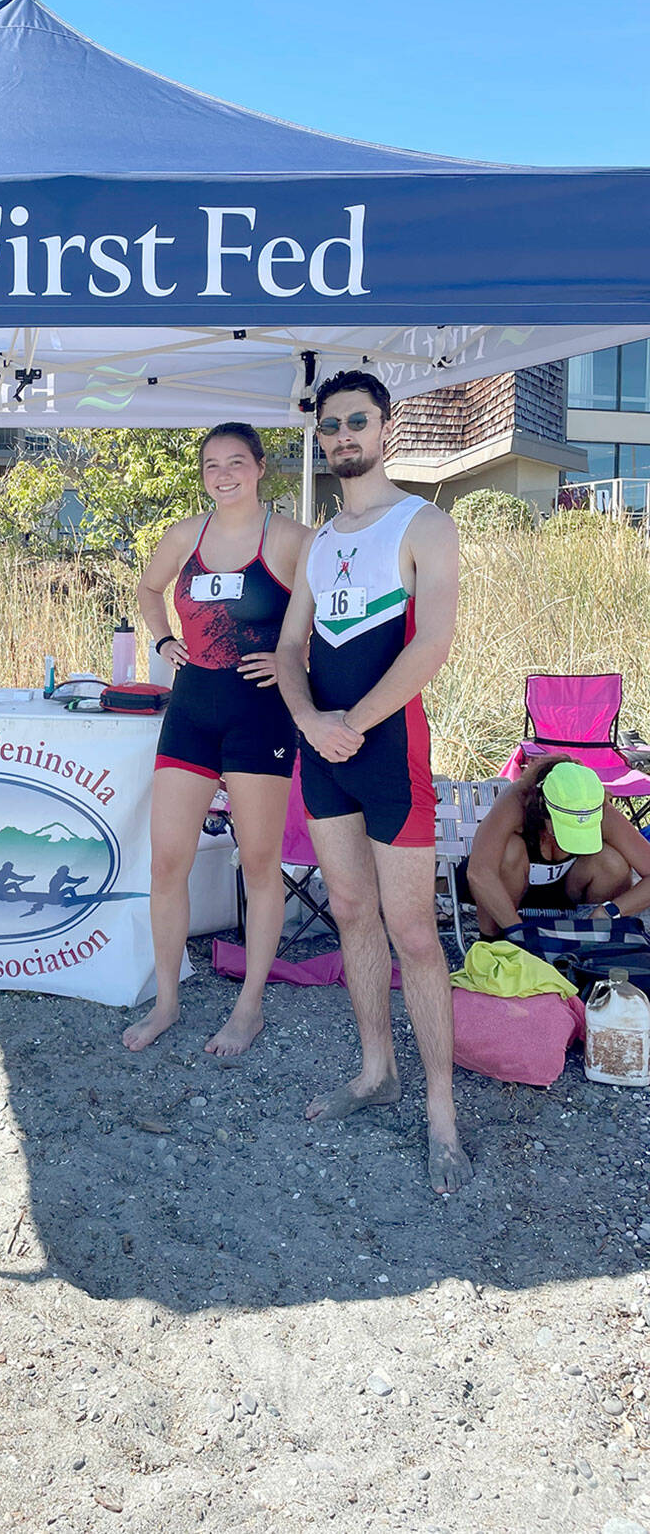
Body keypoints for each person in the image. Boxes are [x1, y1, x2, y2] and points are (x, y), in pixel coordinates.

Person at [275, 369, 472, 1194]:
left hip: (389, 750)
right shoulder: (319, 541)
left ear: (386, 428)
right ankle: (374, 1071)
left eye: (357, 421)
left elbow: (432, 645)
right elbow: (290, 648)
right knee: (351, 911)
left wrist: (351, 722)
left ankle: (441, 1110)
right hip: (324, 749)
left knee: (414, 931)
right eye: (331, 426)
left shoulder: (425, 524)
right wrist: (310, 720)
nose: (343, 436)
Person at [122, 423, 308, 1056]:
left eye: (236, 462)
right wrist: (161, 639)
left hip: (260, 715)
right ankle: (166, 1000)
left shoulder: (293, 540)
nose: (223, 474)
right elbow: (149, 589)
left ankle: (249, 1007)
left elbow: (331, 617)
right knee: (166, 861)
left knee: (258, 864)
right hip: (193, 711)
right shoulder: (185, 536)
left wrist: (292, 660)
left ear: (259, 467)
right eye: (211, 465)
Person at [466, 756, 650, 937]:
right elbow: (479, 872)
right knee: (510, 850)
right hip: (511, 892)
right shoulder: (515, 801)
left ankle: (591, 936)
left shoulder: (598, 808)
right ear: (542, 808)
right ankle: (495, 939)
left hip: (567, 893)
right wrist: (519, 932)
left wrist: (610, 911)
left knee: (612, 862)